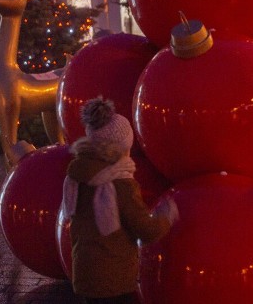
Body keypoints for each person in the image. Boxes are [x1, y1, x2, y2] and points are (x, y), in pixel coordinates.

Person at [61, 97, 175, 304]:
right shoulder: (119, 182)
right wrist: (166, 216)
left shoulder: (77, 173)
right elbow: (144, 228)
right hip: (114, 275)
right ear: (119, 149)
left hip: (84, 270)